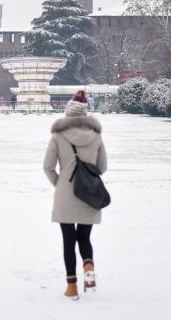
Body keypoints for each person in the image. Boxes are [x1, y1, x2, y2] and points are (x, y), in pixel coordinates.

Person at [43, 90, 108, 300]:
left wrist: (60, 183)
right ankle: (88, 266)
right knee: (85, 238)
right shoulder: (96, 136)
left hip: (65, 194)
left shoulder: (58, 136)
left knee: (68, 241)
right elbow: (102, 167)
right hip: (89, 194)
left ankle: (71, 287)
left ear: (68, 112)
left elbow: (48, 167)